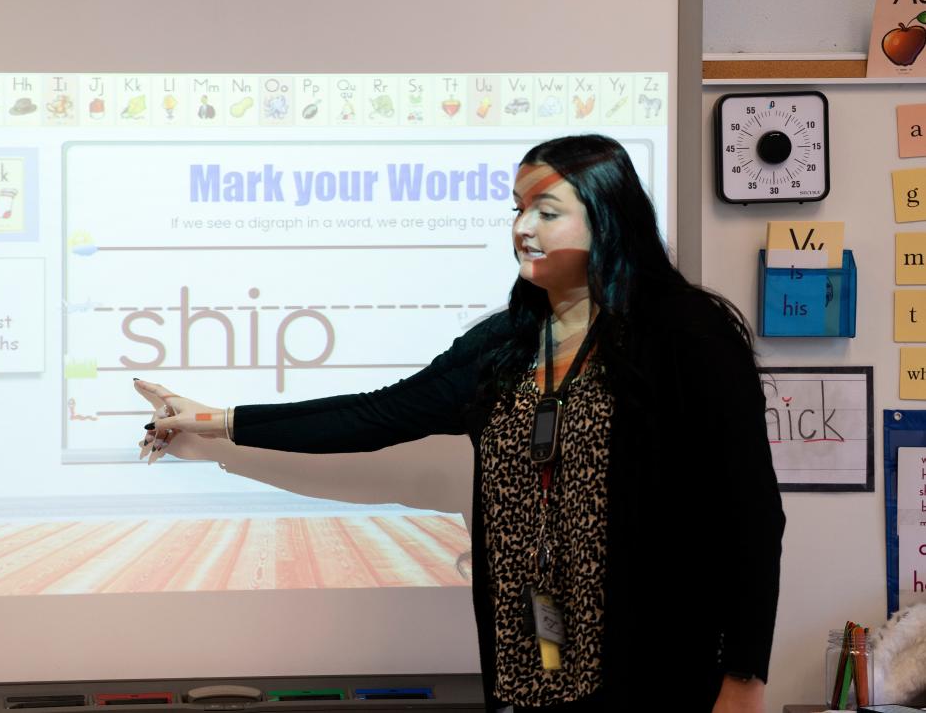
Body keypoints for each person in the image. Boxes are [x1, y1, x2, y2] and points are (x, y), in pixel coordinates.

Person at [136, 134, 784, 713]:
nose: (522, 228)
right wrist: (215, 421)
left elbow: (751, 515)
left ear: (608, 219)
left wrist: (744, 675)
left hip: (659, 666)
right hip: (534, 653)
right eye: (517, 209)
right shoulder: (504, 344)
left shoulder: (685, 335)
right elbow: (374, 414)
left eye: (547, 212)